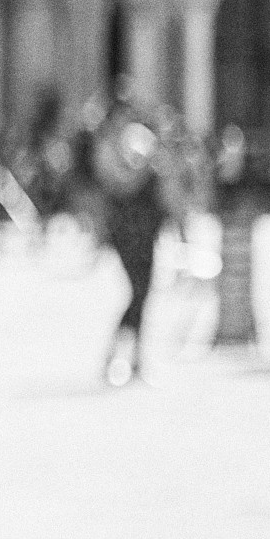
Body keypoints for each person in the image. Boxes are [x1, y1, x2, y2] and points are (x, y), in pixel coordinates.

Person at [97, 112, 174, 385]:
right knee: (137, 293)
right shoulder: (134, 161)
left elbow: (165, 203)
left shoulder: (155, 167)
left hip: (146, 236)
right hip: (128, 237)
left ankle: (136, 360)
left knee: (144, 295)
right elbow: (122, 186)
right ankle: (114, 358)